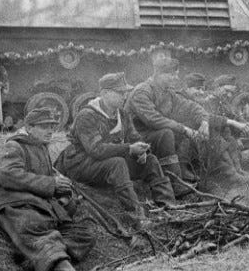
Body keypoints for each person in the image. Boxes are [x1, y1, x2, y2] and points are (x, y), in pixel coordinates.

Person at [0, 108, 95, 271]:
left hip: (40, 205)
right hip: (17, 204)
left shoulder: (41, 148)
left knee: (83, 235)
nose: (50, 131)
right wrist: (51, 184)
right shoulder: (14, 146)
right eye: (44, 126)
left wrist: (62, 190)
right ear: (29, 128)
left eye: (52, 126)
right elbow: (8, 175)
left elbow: (43, 176)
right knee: (37, 231)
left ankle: (38, 261)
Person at [56, 73, 176, 223]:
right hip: (81, 165)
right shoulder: (87, 115)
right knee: (118, 163)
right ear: (105, 93)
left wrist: (143, 151)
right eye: (120, 92)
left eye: (126, 92)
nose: (125, 96)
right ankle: (136, 215)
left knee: (150, 160)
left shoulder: (122, 114)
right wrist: (129, 149)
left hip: (104, 163)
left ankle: (170, 206)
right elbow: (96, 150)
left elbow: (135, 137)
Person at [125, 58, 249, 190]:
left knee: (201, 128)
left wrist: (204, 121)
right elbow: (153, 120)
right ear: (159, 74)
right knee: (169, 132)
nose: (175, 78)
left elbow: (191, 107)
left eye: (176, 74)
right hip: (137, 139)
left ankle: (230, 175)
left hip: (157, 135)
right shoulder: (142, 92)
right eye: (172, 74)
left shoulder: (167, 92)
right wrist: (185, 129)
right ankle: (175, 183)